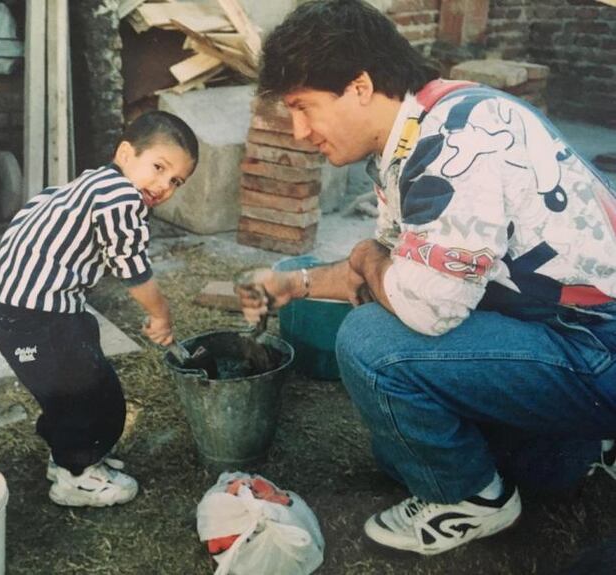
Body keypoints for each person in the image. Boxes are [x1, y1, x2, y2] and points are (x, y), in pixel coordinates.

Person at [235, 0, 616, 556]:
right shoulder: (423, 125)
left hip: (596, 343)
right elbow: (395, 264)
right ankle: (574, 445)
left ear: (360, 86)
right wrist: (291, 285)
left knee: (372, 344)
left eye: (304, 107)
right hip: (569, 330)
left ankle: (472, 500)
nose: (298, 132)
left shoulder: (453, 146)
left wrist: (369, 259)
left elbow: (425, 306)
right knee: (405, 452)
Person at [0, 111, 198, 507]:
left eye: (175, 181)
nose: (163, 186)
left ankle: (69, 457)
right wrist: (161, 313)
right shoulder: (120, 196)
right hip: (33, 318)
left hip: (35, 309)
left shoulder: (91, 183)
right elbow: (133, 270)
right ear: (125, 153)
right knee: (89, 397)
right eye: (158, 167)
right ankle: (75, 478)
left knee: (81, 382)